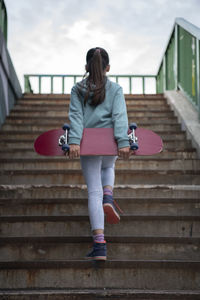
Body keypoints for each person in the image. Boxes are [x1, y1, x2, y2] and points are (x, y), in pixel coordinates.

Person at [68, 47, 131, 261]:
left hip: (88, 144)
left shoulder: (78, 89)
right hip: (110, 143)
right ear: (108, 68)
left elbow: (76, 117)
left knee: (92, 192)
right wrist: (123, 141)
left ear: (86, 67)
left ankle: (100, 245)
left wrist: (74, 141)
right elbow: (120, 116)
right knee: (109, 167)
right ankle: (109, 195)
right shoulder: (116, 89)